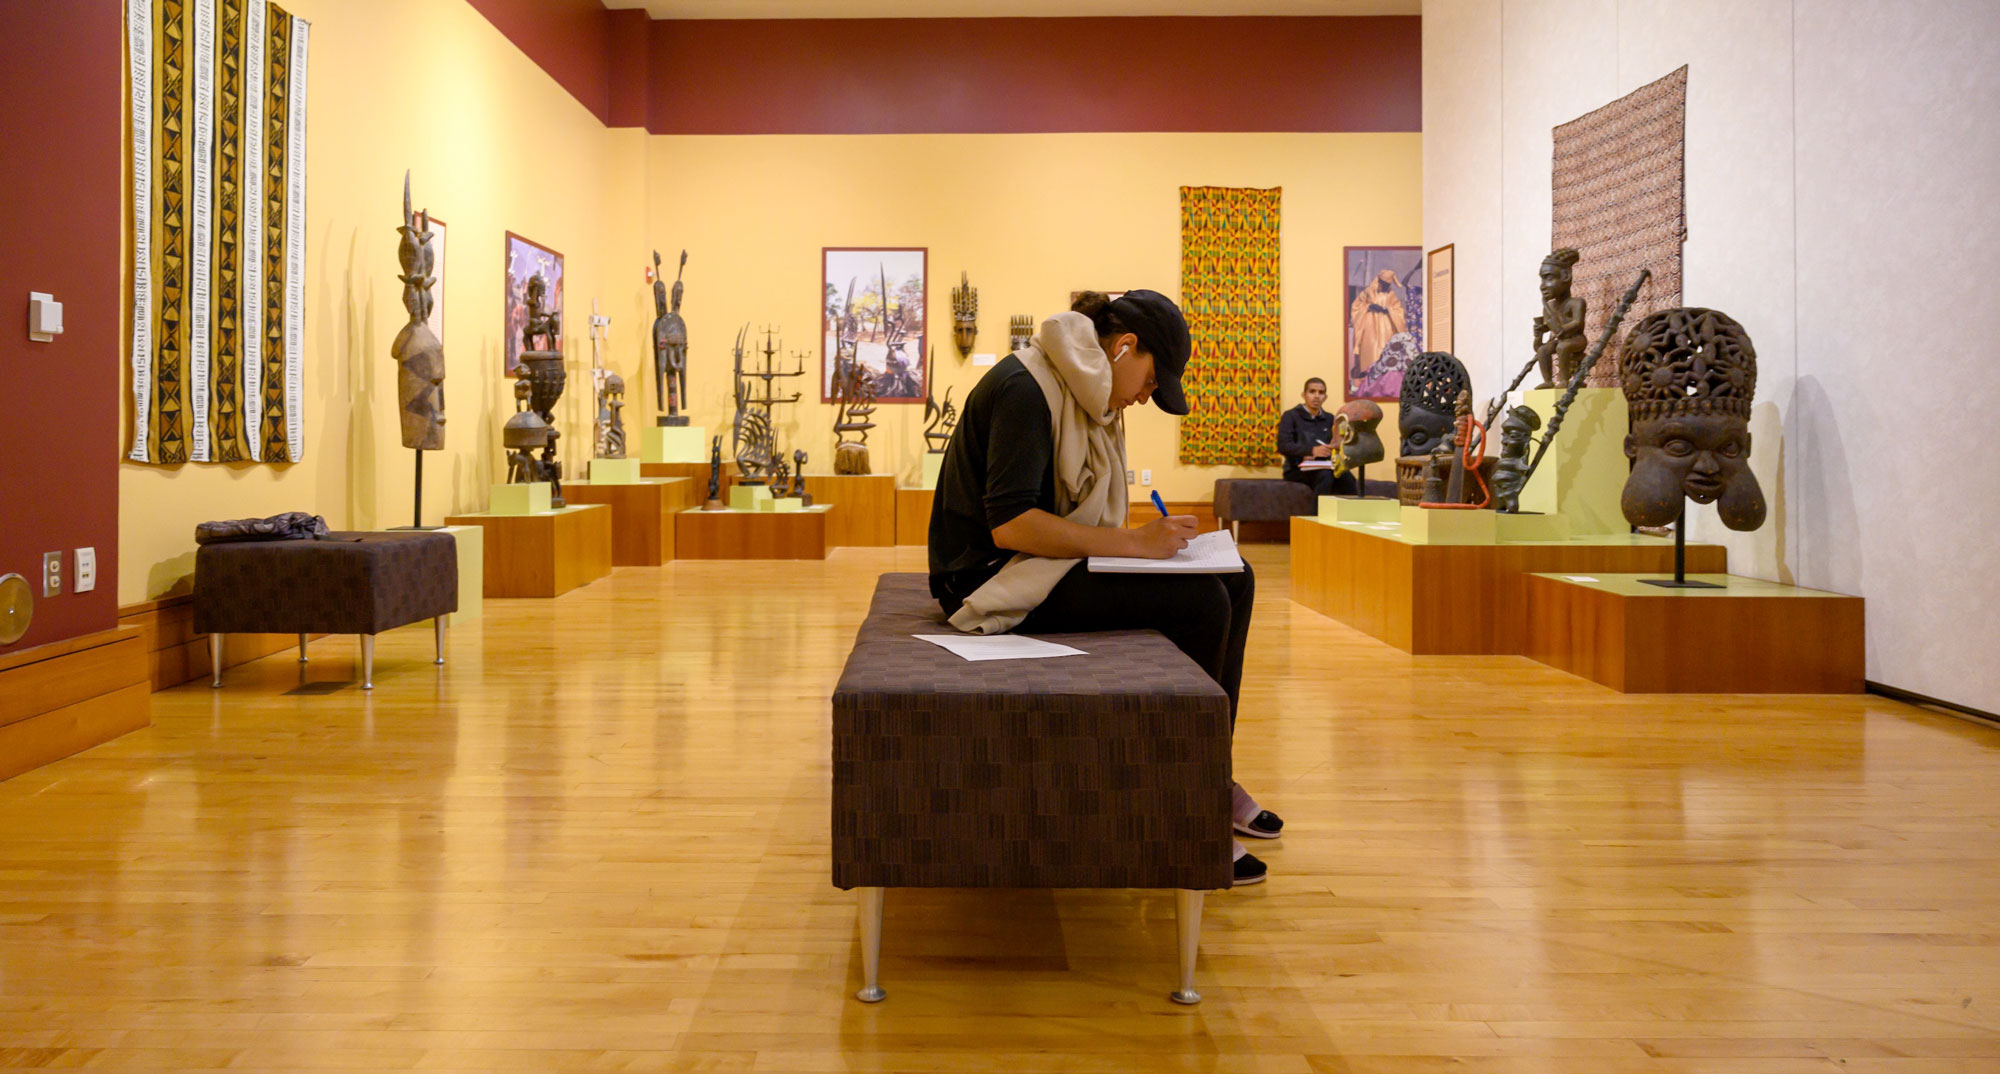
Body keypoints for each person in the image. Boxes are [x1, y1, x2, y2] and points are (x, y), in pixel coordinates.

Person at [929, 290, 1284, 886]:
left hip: (1040, 562)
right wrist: (1136, 545)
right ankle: (1182, 804)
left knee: (1236, 577)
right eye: (1151, 380)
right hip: (989, 574)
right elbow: (1010, 525)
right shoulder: (1025, 388)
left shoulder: (1086, 391)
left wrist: (1144, 545)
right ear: (1124, 347)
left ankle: (1208, 773)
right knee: (1201, 603)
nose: (1145, 397)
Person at [1277, 377, 1358, 496]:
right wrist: (1311, 451)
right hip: (1297, 469)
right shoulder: (1290, 416)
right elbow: (1283, 446)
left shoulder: (1330, 419)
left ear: (1325, 397)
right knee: (1326, 476)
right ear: (1304, 395)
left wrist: (1336, 447)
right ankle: (1318, 509)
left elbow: (1337, 444)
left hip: (1326, 465)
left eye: (1321, 392)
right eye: (1312, 391)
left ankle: (1351, 508)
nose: (1316, 396)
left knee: (1347, 477)